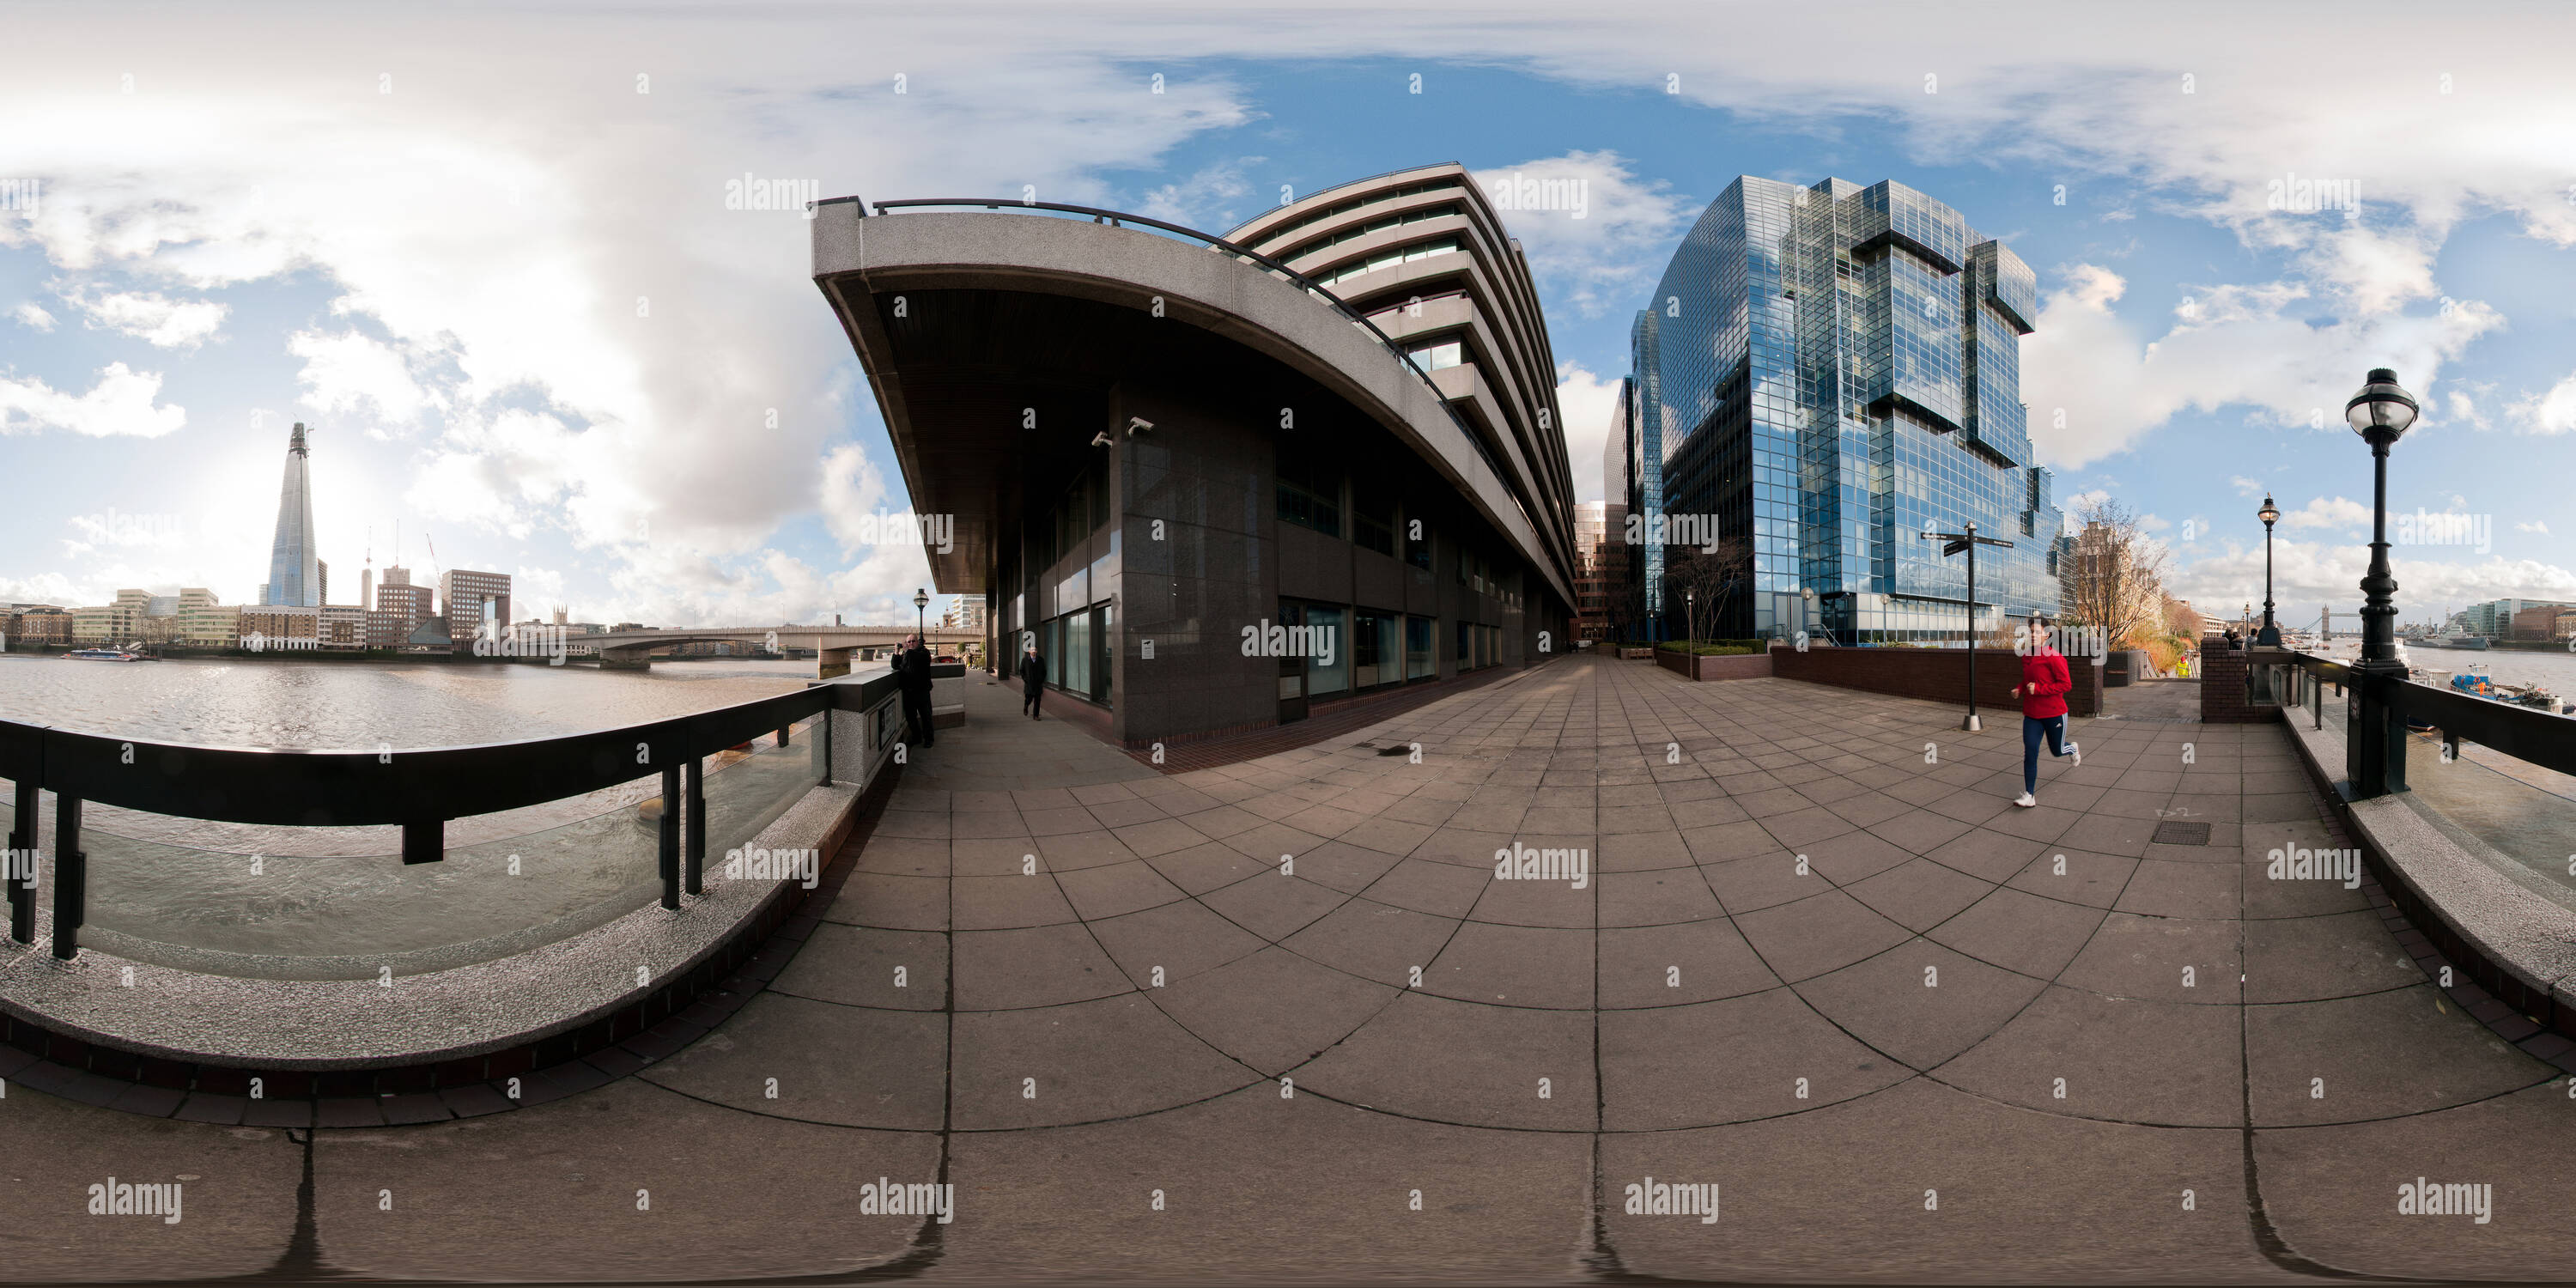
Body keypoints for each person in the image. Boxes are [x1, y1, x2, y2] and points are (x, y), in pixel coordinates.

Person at [2009, 616, 2080, 808]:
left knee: (2057, 750)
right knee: (2030, 753)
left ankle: (2072, 748)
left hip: (2054, 713)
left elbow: (2066, 685)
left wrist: (2038, 690)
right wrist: (2020, 689)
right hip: (2032, 715)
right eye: (2030, 631)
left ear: (2046, 635)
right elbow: (2027, 680)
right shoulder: (2026, 656)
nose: (2032, 635)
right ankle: (2029, 795)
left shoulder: (2054, 657)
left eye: (2037, 632)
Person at [897, 633, 934, 748]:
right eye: (909, 642)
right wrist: (895, 652)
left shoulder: (924, 652)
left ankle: (929, 739)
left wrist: (907, 651)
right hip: (909, 692)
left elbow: (916, 659)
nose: (911, 644)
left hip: (922, 691)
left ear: (917, 642)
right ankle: (917, 737)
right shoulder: (906, 654)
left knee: (926, 716)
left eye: (913, 641)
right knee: (910, 717)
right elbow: (895, 665)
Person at [1020, 638, 1048, 720]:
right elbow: (1022, 671)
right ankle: (1026, 706)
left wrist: (1042, 680)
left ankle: (1036, 716)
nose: (1034, 651)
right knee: (1029, 699)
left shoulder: (1041, 660)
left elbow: (1044, 671)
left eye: (1035, 650)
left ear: (1037, 651)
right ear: (1029, 651)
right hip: (1029, 684)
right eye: (1032, 650)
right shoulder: (1025, 660)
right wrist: (1025, 679)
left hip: (1038, 684)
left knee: (1037, 701)